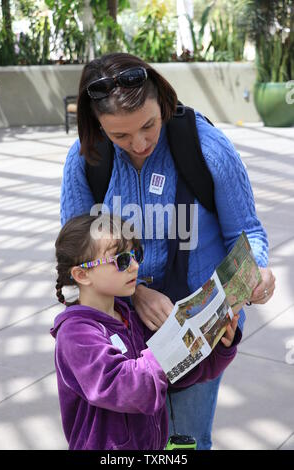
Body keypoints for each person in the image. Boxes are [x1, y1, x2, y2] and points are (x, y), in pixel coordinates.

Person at [60, 52, 276, 449]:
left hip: (200, 328)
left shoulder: (205, 146)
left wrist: (257, 271)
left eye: (148, 125)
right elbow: (77, 253)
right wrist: (137, 292)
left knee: (187, 443)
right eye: (119, 136)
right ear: (97, 126)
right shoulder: (86, 159)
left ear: (163, 101)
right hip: (122, 331)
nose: (139, 144)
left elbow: (247, 232)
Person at [50, 213, 241, 450]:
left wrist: (216, 345)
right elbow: (125, 384)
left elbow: (176, 371)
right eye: (121, 260)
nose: (135, 266)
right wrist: (169, 349)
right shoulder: (75, 335)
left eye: (135, 255)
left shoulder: (128, 317)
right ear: (82, 274)